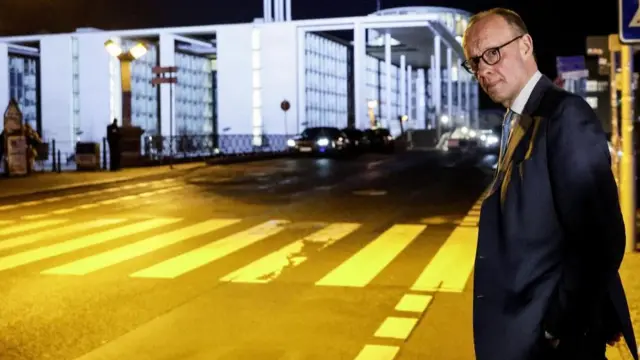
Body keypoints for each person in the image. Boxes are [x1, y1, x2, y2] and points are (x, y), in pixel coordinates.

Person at [462, 8, 638, 360]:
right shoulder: (519, 121)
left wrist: (557, 328)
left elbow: (600, 241)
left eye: (492, 53)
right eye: (474, 62)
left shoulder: (564, 117)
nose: (483, 69)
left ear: (526, 45)